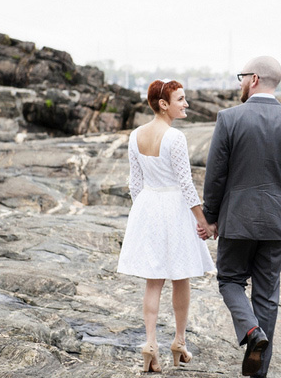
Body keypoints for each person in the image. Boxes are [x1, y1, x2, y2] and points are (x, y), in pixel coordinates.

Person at [201, 56, 281, 377]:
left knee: (230, 280)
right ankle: (259, 372)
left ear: (253, 79)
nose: (239, 83)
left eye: (241, 77)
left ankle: (252, 332)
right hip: (278, 223)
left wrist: (210, 216)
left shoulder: (229, 119)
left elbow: (216, 175)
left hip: (236, 220)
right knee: (267, 295)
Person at [117, 79, 215, 373]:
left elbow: (135, 183)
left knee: (153, 279)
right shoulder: (175, 138)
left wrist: (143, 212)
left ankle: (149, 343)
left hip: (149, 205)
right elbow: (185, 184)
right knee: (181, 275)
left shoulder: (135, 135)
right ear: (164, 104)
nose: (186, 104)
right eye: (181, 99)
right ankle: (179, 342)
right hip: (174, 207)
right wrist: (203, 222)